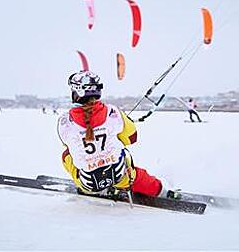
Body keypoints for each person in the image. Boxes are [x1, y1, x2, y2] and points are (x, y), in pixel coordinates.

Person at [57, 71, 176, 199]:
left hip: (88, 184)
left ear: (76, 93)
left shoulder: (64, 122)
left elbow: (69, 144)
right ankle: (163, 192)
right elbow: (132, 138)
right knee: (137, 175)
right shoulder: (112, 112)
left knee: (66, 155)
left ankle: (95, 190)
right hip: (120, 176)